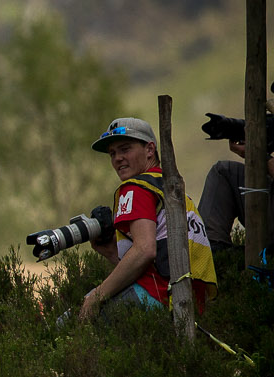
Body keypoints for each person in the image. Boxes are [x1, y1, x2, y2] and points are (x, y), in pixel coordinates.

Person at [79, 116, 220, 322]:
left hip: (158, 295)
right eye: (112, 153)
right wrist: (109, 250)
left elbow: (145, 250)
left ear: (150, 150)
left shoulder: (136, 187)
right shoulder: (170, 188)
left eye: (125, 149)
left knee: (67, 325)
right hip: (188, 303)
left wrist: (96, 297)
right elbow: (157, 260)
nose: (117, 158)